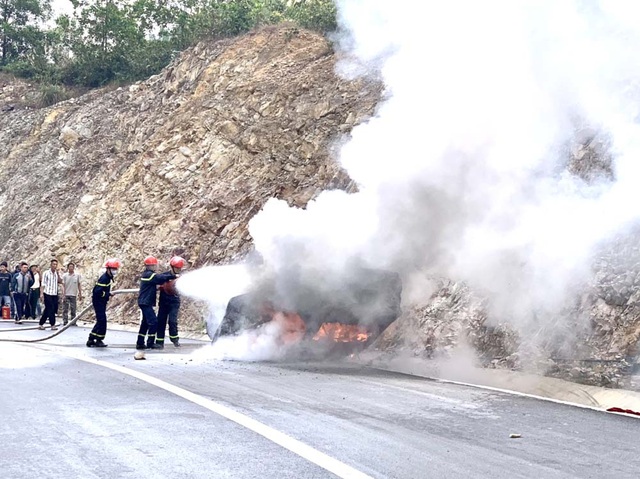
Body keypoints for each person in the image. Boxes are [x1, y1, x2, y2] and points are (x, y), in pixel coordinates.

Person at [136, 256, 177, 350]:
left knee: (145, 323)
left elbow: (156, 280)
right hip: (145, 302)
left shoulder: (148, 275)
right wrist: (173, 276)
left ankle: (140, 342)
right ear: (150, 266)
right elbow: (159, 278)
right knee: (154, 322)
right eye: (154, 265)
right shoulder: (149, 275)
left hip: (145, 302)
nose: (155, 266)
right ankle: (150, 343)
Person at [87, 258, 120, 348]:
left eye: (115, 269)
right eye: (113, 269)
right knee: (102, 321)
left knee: (100, 320)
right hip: (98, 302)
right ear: (108, 269)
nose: (115, 271)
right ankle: (99, 339)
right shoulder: (104, 279)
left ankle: (91, 338)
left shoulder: (108, 278)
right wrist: (108, 294)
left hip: (101, 302)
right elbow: (97, 292)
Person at [156, 256, 185, 349]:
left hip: (174, 301)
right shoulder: (164, 276)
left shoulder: (181, 278)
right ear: (172, 267)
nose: (178, 270)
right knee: (161, 321)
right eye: (177, 268)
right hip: (164, 301)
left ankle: (175, 340)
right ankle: (159, 342)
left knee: (172, 321)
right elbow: (158, 280)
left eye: (180, 268)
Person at [38, 259, 63, 330]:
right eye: (53, 264)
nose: (55, 266)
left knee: (49, 309)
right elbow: (43, 284)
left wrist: (58, 273)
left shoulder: (56, 273)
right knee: (51, 309)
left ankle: (41, 323)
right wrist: (41, 294)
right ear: (51, 265)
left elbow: (60, 281)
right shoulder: (46, 273)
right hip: (47, 293)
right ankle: (53, 324)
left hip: (54, 294)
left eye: (56, 264)